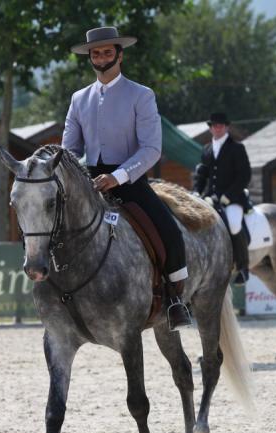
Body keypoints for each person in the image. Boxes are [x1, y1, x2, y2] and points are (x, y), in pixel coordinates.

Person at [62, 26, 192, 330]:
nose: (101, 57)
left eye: (107, 52)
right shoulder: (79, 99)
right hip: (89, 180)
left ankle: (175, 298)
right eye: (96, 53)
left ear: (120, 55)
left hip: (130, 180)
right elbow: (69, 149)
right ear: (90, 58)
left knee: (168, 230)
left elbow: (151, 148)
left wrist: (118, 176)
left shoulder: (141, 95)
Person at [193, 112, 252, 285]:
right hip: (210, 197)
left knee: (233, 225)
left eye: (220, 125)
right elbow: (202, 175)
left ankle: (243, 267)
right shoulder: (206, 149)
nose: (217, 128)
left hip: (233, 198)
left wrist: (228, 195)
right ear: (211, 128)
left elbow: (244, 175)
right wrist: (196, 192)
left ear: (226, 127)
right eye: (214, 126)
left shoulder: (237, 148)